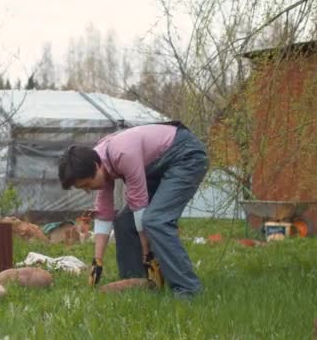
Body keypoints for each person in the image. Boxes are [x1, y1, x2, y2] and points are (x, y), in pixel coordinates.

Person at [58, 122, 209, 298]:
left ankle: (188, 290)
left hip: (185, 155)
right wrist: (97, 261)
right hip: (157, 164)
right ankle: (136, 283)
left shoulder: (122, 153)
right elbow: (104, 212)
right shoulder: (97, 159)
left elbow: (139, 205)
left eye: (87, 184)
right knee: (124, 222)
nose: (88, 190)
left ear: (96, 166)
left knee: (155, 220)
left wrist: (148, 255)